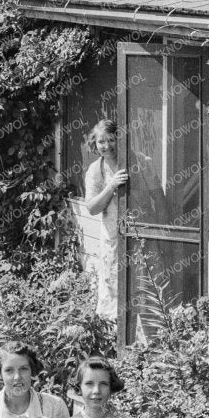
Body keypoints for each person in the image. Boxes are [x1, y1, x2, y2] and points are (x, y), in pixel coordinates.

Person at [80, 120, 129, 322]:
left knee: (141, 286)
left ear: (120, 139)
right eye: (101, 141)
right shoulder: (95, 170)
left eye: (111, 139)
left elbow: (157, 197)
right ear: (94, 143)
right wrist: (111, 186)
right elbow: (92, 208)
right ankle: (118, 343)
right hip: (111, 238)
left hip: (139, 236)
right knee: (114, 289)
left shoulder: (137, 160)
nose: (106, 146)